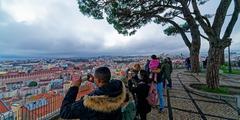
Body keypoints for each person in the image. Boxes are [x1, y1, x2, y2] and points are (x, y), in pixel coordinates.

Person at [60, 67, 126, 120]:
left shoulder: (91, 102)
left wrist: (74, 87)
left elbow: (64, 112)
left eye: (95, 78)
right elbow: (106, 86)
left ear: (99, 80)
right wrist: (95, 81)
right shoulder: (118, 89)